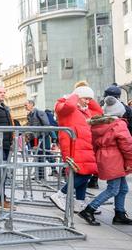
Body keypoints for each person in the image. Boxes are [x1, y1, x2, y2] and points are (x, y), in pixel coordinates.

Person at [48, 81, 102, 213]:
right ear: (77, 96)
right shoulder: (64, 105)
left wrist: (88, 96)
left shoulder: (84, 111)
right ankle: (60, 194)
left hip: (84, 146)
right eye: (86, 98)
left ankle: (79, 202)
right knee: (83, 174)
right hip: (73, 146)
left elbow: (99, 112)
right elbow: (68, 106)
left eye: (90, 99)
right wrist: (75, 95)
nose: (88, 102)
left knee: (85, 173)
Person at [78, 96, 132, 226]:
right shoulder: (119, 123)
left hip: (105, 157)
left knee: (123, 188)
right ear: (119, 111)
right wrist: (130, 162)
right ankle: (89, 209)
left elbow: (94, 143)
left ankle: (119, 213)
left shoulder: (99, 124)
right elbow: (127, 145)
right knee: (113, 189)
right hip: (115, 158)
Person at [25, 100, 51, 180]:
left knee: (42, 156)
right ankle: (39, 175)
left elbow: (46, 125)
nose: (25, 107)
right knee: (37, 157)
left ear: (32, 104)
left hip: (40, 138)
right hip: (33, 139)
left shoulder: (39, 112)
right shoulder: (29, 115)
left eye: (26, 105)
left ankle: (42, 176)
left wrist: (42, 136)